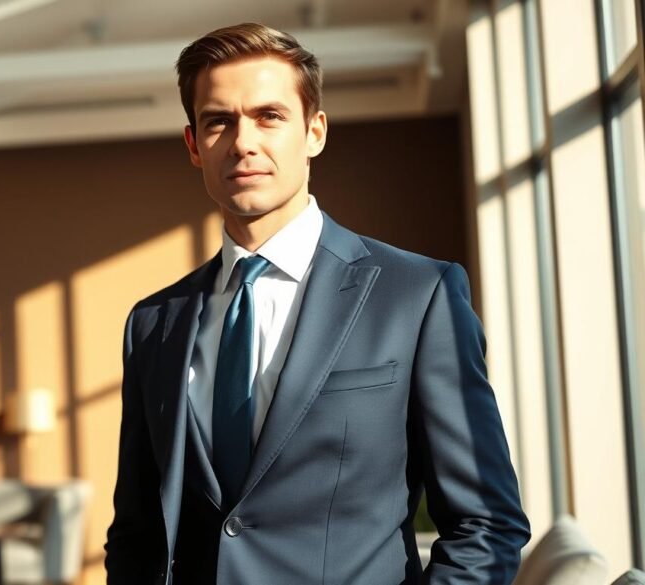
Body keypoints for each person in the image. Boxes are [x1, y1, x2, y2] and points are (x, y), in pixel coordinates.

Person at [103, 22, 530, 585]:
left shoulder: (418, 296)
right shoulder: (154, 324)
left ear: (315, 132)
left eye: (269, 116)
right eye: (218, 122)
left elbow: (487, 523)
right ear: (193, 145)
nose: (243, 142)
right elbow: (136, 533)